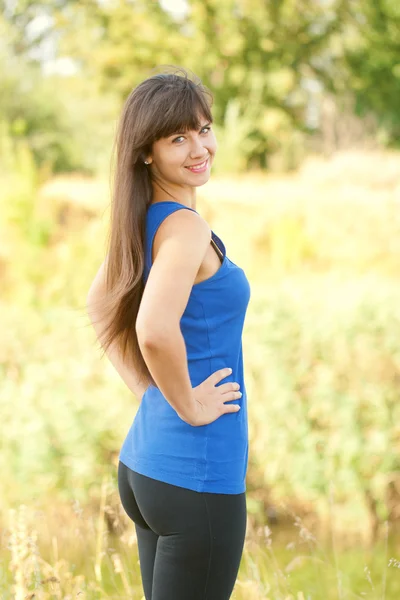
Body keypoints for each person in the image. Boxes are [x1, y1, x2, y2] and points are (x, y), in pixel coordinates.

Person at [86, 67, 251, 600]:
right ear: (146, 152)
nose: (199, 146)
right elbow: (153, 329)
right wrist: (188, 406)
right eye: (177, 137)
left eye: (203, 129)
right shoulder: (184, 228)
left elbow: (97, 305)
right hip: (195, 474)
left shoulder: (142, 220)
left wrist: (149, 393)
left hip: (146, 470)